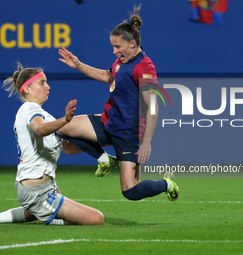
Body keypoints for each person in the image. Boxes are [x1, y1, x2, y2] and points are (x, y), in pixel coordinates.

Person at [56, 5, 179, 202]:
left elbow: (153, 107)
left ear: (132, 43)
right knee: (60, 129)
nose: (114, 51)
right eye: (112, 46)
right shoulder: (123, 60)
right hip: (107, 123)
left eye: (117, 46)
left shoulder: (145, 67)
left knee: (131, 192)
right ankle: (103, 158)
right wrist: (78, 65)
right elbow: (107, 76)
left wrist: (146, 142)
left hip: (128, 135)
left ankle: (166, 184)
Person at [0, 63, 104, 226]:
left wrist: (105, 143)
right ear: (27, 89)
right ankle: (52, 219)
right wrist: (64, 120)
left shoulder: (44, 115)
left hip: (42, 186)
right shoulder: (30, 108)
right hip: (36, 189)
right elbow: (40, 129)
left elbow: (68, 148)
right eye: (42, 83)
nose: (48, 87)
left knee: (34, 212)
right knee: (96, 219)